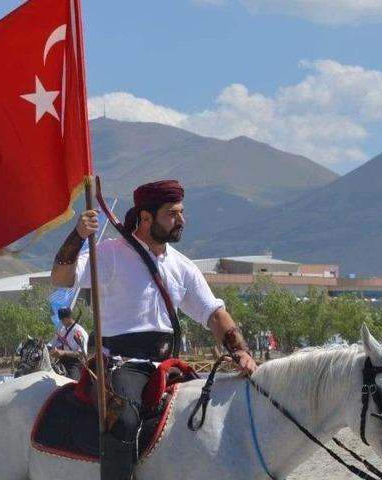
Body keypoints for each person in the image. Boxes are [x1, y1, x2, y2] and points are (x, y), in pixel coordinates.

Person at [51, 179, 256, 480]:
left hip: (168, 365)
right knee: (124, 421)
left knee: (207, 413)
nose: (181, 220)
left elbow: (214, 314)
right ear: (146, 217)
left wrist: (241, 351)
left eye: (181, 212)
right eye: (172, 214)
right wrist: (78, 235)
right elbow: (60, 278)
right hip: (121, 365)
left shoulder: (183, 266)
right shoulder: (109, 254)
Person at [49, 307, 88, 380]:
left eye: (63, 319)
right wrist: (55, 351)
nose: (62, 322)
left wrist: (64, 352)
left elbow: (82, 354)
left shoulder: (80, 331)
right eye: (61, 320)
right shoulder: (62, 330)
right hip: (62, 360)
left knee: (72, 383)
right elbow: (57, 345)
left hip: (75, 363)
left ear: (68, 317)